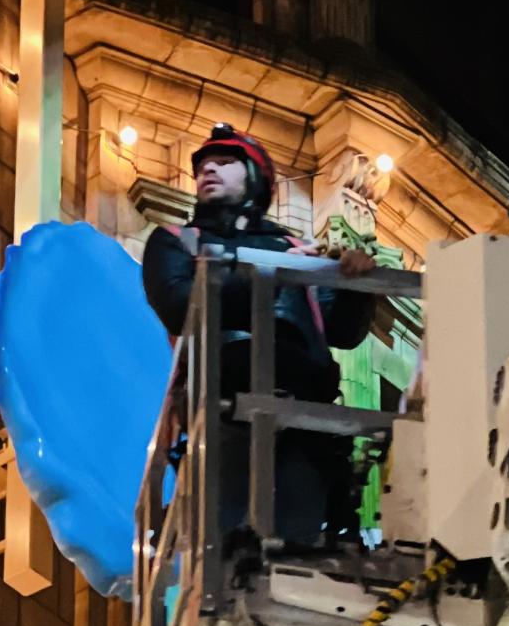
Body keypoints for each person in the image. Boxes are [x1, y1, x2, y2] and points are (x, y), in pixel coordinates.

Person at [141, 126, 376, 561]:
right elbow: (179, 305)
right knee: (226, 546)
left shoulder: (296, 248)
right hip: (219, 405)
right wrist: (272, 275)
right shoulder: (177, 242)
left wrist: (356, 284)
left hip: (303, 412)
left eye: (225, 161)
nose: (207, 168)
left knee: (294, 546)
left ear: (255, 175)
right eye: (203, 165)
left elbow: (343, 331)